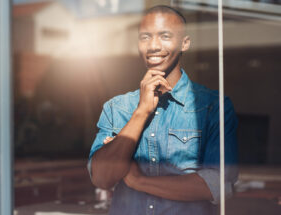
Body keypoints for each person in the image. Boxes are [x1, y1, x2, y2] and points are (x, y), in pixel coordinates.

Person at [88, 5, 238, 215]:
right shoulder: (117, 108)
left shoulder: (213, 107)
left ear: (185, 43)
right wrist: (141, 112)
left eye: (165, 36)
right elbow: (102, 178)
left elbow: (218, 186)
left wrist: (138, 181)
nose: (153, 45)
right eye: (145, 37)